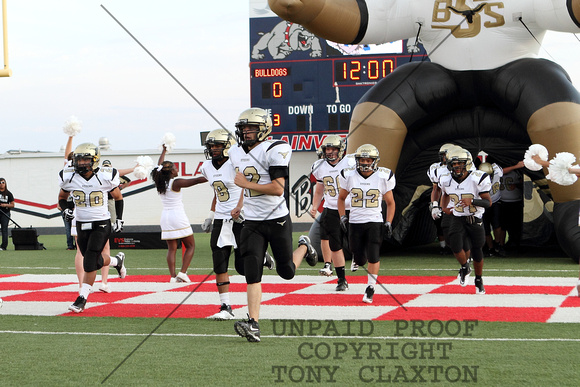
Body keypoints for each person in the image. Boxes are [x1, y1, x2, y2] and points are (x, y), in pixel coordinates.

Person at [229, 107, 318, 342]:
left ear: (264, 129)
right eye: (243, 128)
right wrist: (240, 202)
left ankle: (305, 247)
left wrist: (246, 184)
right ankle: (253, 323)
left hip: (277, 219)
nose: (246, 132)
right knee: (252, 273)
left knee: (286, 271)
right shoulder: (236, 152)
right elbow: (244, 185)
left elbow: (278, 188)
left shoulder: (274, 149)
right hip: (252, 222)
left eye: (251, 128)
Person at [58, 143, 127, 313]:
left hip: (101, 222)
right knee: (91, 259)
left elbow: (118, 197)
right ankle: (116, 261)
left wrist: (119, 218)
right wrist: (66, 208)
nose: (81, 163)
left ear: (95, 160)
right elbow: (62, 197)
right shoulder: (69, 176)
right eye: (78, 159)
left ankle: (82, 298)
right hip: (81, 223)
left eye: (85, 159)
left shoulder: (105, 175)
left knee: (89, 261)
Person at [337, 144, 396, 304]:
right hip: (355, 221)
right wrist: (343, 216)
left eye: (367, 159)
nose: (364, 163)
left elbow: (390, 202)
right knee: (358, 255)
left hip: (374, 221)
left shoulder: (383, 176)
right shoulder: (349, 175)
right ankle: (358, 258)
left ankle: (370, 288)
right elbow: (341, 198)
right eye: (361, 159)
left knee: (373, 255)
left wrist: (388, 222)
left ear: (374, 161)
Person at [199, 129, 245, 320]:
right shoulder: (207, 167)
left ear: (227, 146)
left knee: (243, 266)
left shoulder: (237, 163)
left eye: (217, 145)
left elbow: (247, 188)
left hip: (240, 219)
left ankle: (262, 255)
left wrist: (241, 207)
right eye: (211, 146)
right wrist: (210, 215)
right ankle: (225, 306)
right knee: (220, 263)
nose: (213, 149)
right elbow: (217, 192)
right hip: (220, 218)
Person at [439, 148, 492, 294]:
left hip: (475, 218)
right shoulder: (446, 179)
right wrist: (444, 207)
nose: (456, 166)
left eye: (459, 163)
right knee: (455, 245)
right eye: (454, 164)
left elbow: (488, 203)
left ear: (467, 164)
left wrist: (473, 201)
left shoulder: (477, 178)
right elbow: (444, 194)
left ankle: (479, 279)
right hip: (458, 217)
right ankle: (464, 266)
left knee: (477, 250)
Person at [151, 144, 207, 283]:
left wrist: (164, 151)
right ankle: (182, 273)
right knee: (190, 246)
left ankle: (172, 276)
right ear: (170, 172)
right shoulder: (175, 182)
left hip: (165, 217)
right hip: (178, 216)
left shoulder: (160, 181)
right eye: (175, 168)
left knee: (172, 248)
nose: (177, 170)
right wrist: (215, 175)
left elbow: (160, 165)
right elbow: (197, 180)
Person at [309, 134, 354, 291]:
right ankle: (341, 279)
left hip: (352, 208)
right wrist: (315, 206)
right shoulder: (319, 166)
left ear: (340, 149)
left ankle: (357, 257)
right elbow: (319, 189)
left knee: (356, 240)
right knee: (335, 245)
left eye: (333, 149)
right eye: (327, 149)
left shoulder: (351, 162)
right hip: (331, 208)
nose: (329, 152)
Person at [428, 143, 458, 255]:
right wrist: (435, 205)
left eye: (445, 154)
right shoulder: (437, 169)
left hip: (460, 203)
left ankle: (467, 251)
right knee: (443, 226)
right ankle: (446, 247)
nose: (443, 157)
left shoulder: (466, 167)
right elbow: (436, 189)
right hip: (445, 203)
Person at [0, 178, 15, 251]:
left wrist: (5, 205)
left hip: (5, 214)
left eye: (3, 182)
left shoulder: (9, 194)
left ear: (5, 184)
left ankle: (3, 246)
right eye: (0, 183)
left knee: (4, 229)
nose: (1, 184)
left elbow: (12, 205)